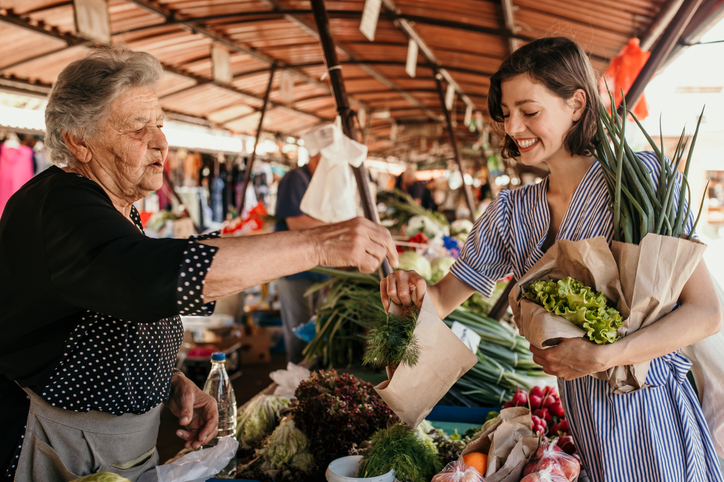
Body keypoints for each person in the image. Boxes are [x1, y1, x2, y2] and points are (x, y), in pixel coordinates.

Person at [0, 47, 398, 482]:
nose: (160, 142)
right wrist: (320, 245)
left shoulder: (113, 206)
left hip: (117, 446)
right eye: (138, 127)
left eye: (160, 125)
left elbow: (103, 313)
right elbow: (145, 277)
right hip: (57, 445)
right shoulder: (60, 204)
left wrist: (168, 383)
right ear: (79, 139)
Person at [380, 37, 723, 482]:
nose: (513, 127)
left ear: (577, 104)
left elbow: (706, 312)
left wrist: (607, 355)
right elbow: (441, 302)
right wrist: (409, 293)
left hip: (656, 414)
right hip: (588, 422)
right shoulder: (511, 212)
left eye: (529, 110)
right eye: (506, 114)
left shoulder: (643, 182)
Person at [274, 152, 328, 364]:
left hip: (316, 269)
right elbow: (295, 222)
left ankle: (309, 376)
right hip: (295, 269)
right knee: (299, 329)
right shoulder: (296, 179)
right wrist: (339, 227)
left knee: (311, 327)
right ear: (316, 157)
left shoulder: (318, 182)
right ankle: (297, 381)